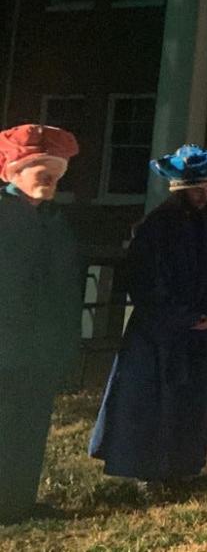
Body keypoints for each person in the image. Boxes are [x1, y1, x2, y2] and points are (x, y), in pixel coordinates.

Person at [89, 145, 207, 488]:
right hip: (157, 334)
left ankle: (181, 467)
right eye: (198, 190)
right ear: (182, 190)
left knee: (187, 405)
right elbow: (144, 282)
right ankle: (148, 471)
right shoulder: (155, 228)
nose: (204, 197)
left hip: (194, 333)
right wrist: (178, 317)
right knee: (152, 404)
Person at [0, 125, 81, 523]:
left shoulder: (54, 222)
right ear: (15, 172)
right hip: (5, 346)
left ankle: (18, 502)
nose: (49, 179)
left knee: (30, 428)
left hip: (41, 346)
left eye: (55, 172)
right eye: (40, 171)